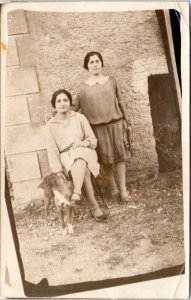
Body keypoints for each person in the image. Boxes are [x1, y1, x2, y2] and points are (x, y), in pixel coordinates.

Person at [73, 51, 132, 201]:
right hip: (97, 129)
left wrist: (127, 120)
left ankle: (123, 190)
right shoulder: (82, 88)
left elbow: (121, 101)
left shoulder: (111, 81)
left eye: (97, 61)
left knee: (120, 158)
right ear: (86, 66)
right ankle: (113, 189)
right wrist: (55, 114)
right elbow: (74, 109)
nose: (95, 64)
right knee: (106, 160)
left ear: (102, 63)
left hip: (116, 124)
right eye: (91, 62)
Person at [46, 89, 107, 221]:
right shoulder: (50, 126)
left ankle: (77, 192)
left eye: (65, 100)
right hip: (66, 157)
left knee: (80, 156)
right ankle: (94, 207)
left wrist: (82, 144)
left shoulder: (79, 118)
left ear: (70, 102)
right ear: (54, 105)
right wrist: (57, 170)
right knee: (81, 164)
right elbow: (52, 150)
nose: (62, 103)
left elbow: (93, 141)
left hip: (85, 150)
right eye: (59, 101)